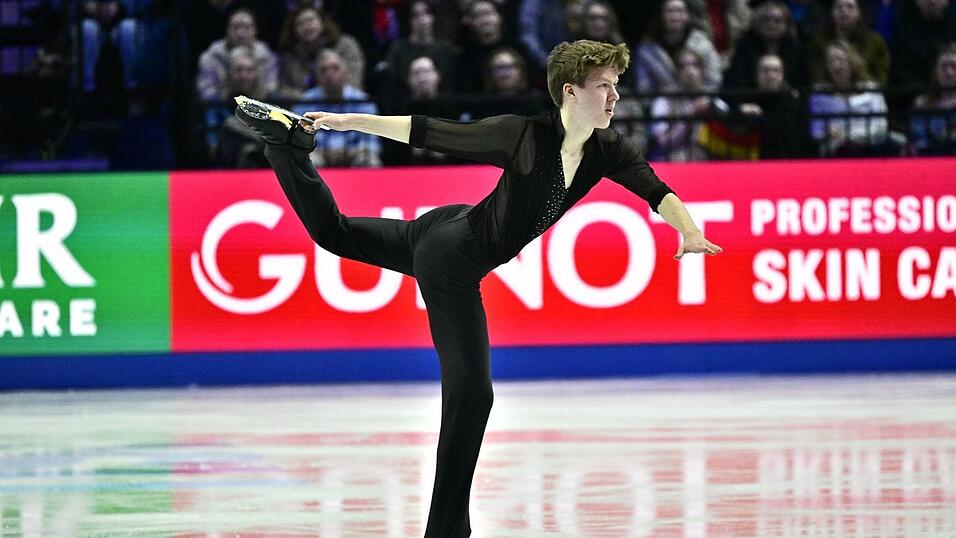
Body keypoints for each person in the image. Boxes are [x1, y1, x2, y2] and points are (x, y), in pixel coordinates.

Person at [233, 39, 722, 537]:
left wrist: (688, 230)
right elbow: (428, 131)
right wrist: (346, 121)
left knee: (334, 233)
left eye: (616, 85)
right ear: (571, 92)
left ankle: (285, 146)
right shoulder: (523, 136)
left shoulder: (608, 149)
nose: (615, 97)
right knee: (472, 396)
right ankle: (446, 532)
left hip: (446, 227)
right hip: (451, 261)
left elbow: (655, 190)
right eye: (604, 86)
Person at [293, 49, 382, 167]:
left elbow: (372, 144)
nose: (329, 74)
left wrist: (350, 151)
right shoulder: (305, 102)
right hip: (319, 153)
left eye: (335, 68)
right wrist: (324, 151)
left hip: (355, 153)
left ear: (345, 72)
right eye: (323, 70)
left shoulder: (363, 101)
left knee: (370, 160)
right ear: (317, 76)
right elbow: (299, 142)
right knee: (306, 161)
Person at [809, 40, 890, 156]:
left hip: (870, 149)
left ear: (852, 62)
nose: (836, 66)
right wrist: (826, 132)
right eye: (831, 61)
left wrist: (847, 136)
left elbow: (880, 128)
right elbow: (815, 131)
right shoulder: (820, 94)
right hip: (834, 152)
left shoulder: (871, 90)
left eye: (841, 60)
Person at [634, 0, 723, 96]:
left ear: (687, 15)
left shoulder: (703, 44)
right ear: (661, 16)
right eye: (670, 11)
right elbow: (644, 87)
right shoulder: (647, 51)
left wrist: (704, 99)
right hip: (662, 102)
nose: (675, 16)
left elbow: (714, 79)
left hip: (699, 100)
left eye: (679, 11)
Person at [196, 8, 278, 104]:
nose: (240, 34)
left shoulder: (267, 57)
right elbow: (206, 93)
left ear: (255, 30)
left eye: (247, 28)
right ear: (227, 29)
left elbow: (271, 90)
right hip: (220, 107)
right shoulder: (211, 58)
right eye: (235, 27)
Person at [807, 0, 891, 85]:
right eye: (838, 7)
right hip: (828, 91)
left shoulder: (875, 42)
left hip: (866, 91)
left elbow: (880, 81)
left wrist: (859, 69)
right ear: (831, 12)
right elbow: (816, 78)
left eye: (850, 7)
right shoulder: (819, 42)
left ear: (859, 12)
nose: (844, 11)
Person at [908, 44, 956, 154]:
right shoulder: (922, 103)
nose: (949, 73)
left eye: (954, 67)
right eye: (944, 67)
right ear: (936, 72)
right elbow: (917, 138)